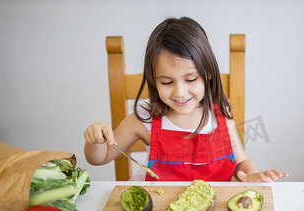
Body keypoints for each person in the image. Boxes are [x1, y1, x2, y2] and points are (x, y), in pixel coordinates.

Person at [84, 16, 288, 182]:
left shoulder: (220, 116)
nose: (180, 92)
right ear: (153, 81)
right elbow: (98, 158)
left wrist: (252, 176)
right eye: (166, 82)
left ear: (207, 73)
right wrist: (95, 140)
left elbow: (241, 163)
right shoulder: (144, 118)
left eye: (190, 79)